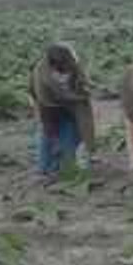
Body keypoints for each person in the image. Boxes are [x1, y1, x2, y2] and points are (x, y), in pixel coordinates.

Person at [29, 43, 95, 176]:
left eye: (68, 66)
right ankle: (46, 167)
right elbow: (45, 107)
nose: (67, 69)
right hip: (48, 106)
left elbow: (83, 83)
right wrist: (54, 139)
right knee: (49, 136)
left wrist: (83, 91)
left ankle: (68, 163)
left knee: (74, 132)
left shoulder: (73, 64)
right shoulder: (41, 77)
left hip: (74, 101)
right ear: (54, 66)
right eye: (63, 68)